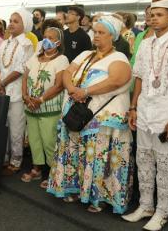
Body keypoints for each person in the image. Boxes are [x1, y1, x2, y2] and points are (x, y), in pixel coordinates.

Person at [122, 0, 168, 231]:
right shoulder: (145, 43)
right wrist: (133, 107)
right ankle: (146, 206)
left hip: (167, 116)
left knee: (164, 167)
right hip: (144, 112)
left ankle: (162, 212)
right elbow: (140, 78)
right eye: (152, 14)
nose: (154, 18)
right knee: (143, 161)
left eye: (159, 14)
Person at [48, 15, 133, 214]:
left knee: (100, 158)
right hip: (77, 114)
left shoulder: (118, 57)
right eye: (95, 32)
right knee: (77, 153)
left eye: (101, 33)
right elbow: (68, 72)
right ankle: (78, 189)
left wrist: (85, 91)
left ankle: (99, 198)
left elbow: (117, 80)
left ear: (112, 36)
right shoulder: (86, 54)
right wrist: (71, 89)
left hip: (101, 119)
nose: (96, 36)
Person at [21, 27, 69, 188]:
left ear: (58, 42)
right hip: (30, 106)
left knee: (49, 141)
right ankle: (36, 168)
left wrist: (40, 99)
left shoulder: (61, 59)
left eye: (51, 37)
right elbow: (25, 77)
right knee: (34, 140)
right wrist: (25, 96)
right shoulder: (35, 57)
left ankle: (53, 172)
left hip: (49, 108)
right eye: (45, 37)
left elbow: (59, 85)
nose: (46, 40)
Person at [0, 8, 34, 175]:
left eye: (16, 21)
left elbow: (20, 69)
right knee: (3, 127)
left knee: (16, 130)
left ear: (25, 25)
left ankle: (16, 161)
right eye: (10, 20)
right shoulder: (4, 42)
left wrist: (1, 83)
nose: (10, 24)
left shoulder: (27, 44)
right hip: (1, 91)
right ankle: (3, 158)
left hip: (17, 93)